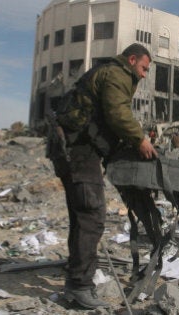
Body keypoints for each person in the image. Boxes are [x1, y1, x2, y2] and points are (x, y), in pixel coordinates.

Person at [56, 43, 157, 309]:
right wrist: (140, 140)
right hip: (79, 150)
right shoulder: (117, 74)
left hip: (71, 148)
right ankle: (79, 285)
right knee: (91, 215)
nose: (145, 75)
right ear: (132, 60)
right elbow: (117, 113)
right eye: (144, 68)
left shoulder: (110, 72)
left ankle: (75, 278)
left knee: (82, 216)